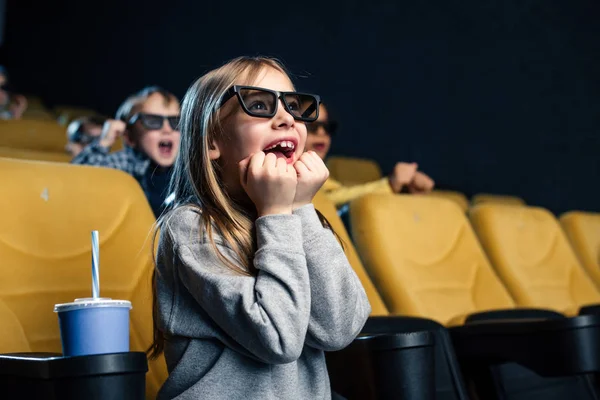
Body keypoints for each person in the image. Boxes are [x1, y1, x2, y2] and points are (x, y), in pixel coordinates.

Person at [148, 56, 370, 400]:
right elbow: (278, 339)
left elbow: (339, 328)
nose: (286, 119)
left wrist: (302, 208)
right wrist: (278, 213)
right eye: (258, 105)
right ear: (211, 141)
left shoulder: (295, 218)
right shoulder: (191, 228)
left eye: (294, 107)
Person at [71, 86, 181, 218]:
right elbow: (76, 182)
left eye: (176, 122)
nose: (167, 129)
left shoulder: (188, 168)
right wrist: (104, 141)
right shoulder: (125, 163)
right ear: (129, 136)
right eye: (152, 121)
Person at [305, 103, 435, 207]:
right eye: (312, 126)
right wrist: (391, 184)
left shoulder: (326, 179)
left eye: (327, 127)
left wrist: (406, 188)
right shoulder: (293, 173)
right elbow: (327, 200)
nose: (321, 133)